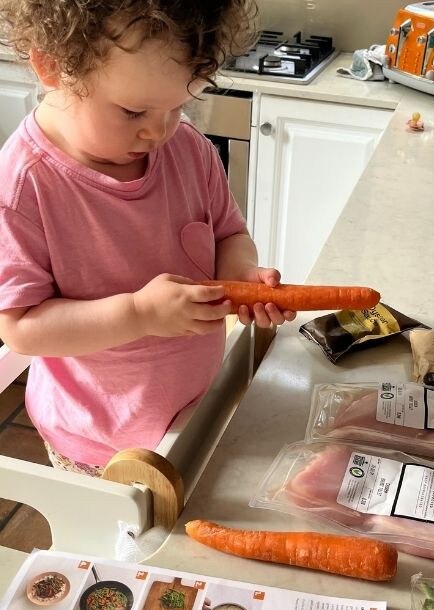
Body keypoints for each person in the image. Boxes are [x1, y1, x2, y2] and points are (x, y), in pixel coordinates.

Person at [0, 1, 296, 476]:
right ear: (53, 67)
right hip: (101, 446)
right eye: (134, 110)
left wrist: (240, 276)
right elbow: (21, 327)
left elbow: (229, 232)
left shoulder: (190, 150)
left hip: (196, 411)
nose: (158, 131)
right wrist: (138, 313)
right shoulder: (22, 187)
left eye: (179, 105)